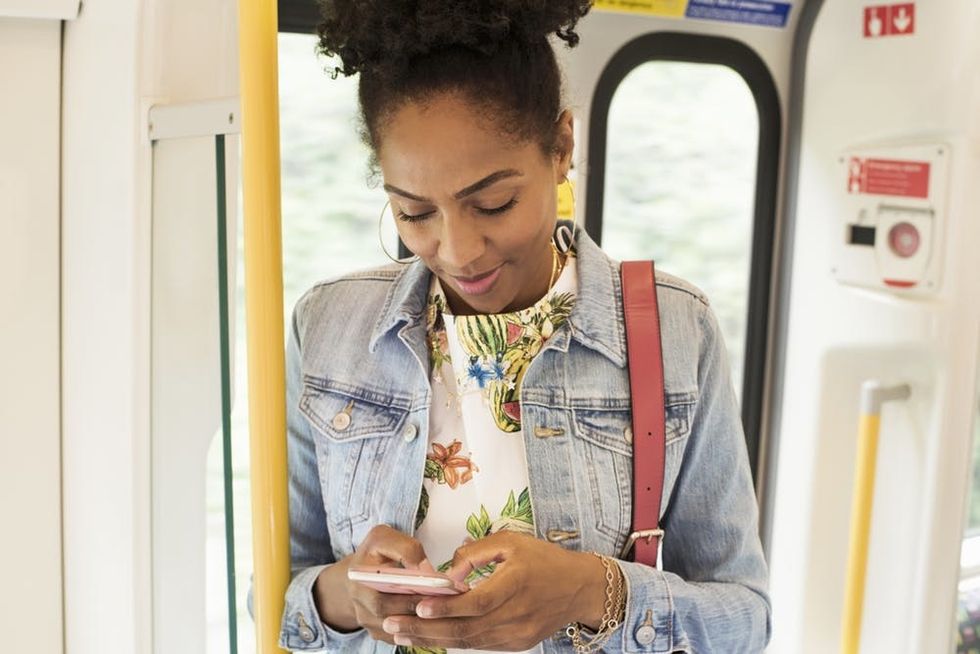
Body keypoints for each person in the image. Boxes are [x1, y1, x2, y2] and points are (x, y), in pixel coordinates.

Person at [275, 1, 770, 652]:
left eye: (493, 203)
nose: (459, 250)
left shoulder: (676, 330)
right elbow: (283, 596)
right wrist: (346, 594)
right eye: (415, 212)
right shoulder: (328, 329)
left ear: (561, 147)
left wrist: (588, 591)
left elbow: (745, 620)